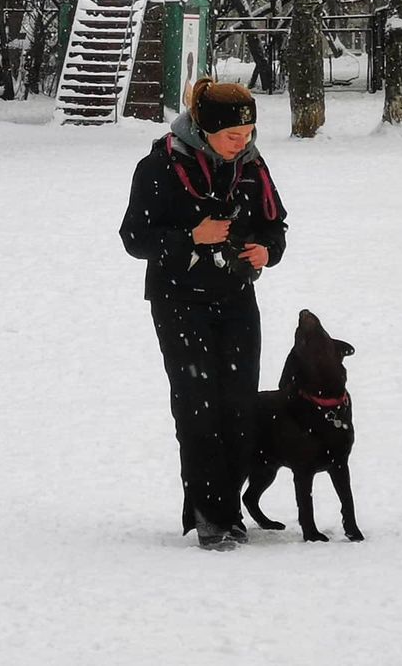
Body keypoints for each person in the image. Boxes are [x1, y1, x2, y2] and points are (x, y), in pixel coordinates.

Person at [119, 77, 288, 551]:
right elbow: (134, 239)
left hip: (236, 297)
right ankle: (208, 513)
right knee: (198, 404)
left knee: (239, 403)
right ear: (205, 128)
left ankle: (230, 508)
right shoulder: (158, 166)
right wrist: (193, 237)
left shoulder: (252, 166)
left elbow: (276, 225)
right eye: (234, 135)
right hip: (178, 300)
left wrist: (267, 251)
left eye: (249, 133)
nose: (244, 142)